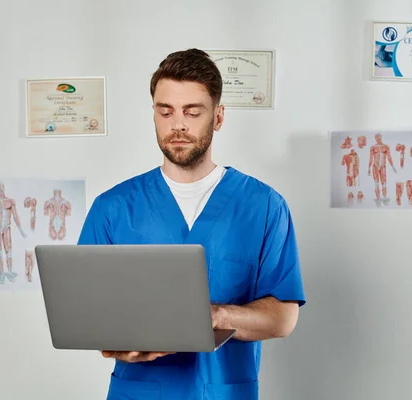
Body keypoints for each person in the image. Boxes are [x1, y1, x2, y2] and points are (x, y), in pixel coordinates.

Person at [77, 48, 306, 400]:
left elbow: (283, 318)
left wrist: (213, 315)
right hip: (138, 392)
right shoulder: (112, 208)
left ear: (218, 117)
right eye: (165, 111)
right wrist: (117, 346)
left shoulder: (263, 206)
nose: (178, 125)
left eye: (192, 112)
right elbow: (87, 314)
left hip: (223, 392)